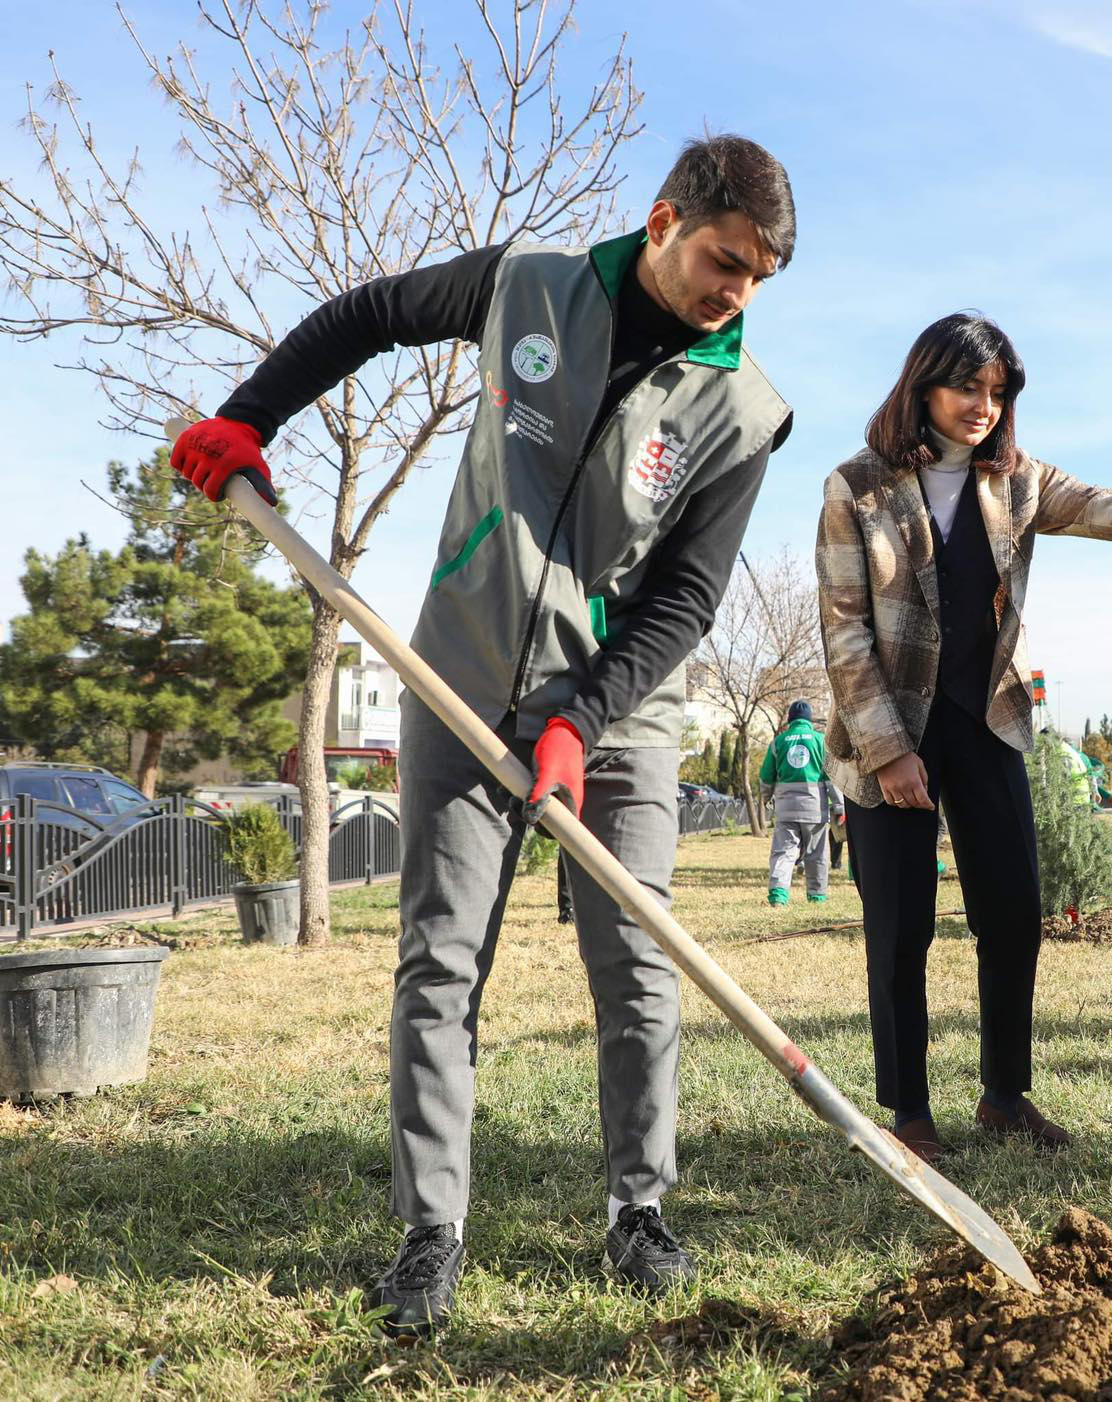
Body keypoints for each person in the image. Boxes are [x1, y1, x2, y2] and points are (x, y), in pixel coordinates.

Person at [172, 134, 797, 1331]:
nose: (738, 294)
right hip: (455, 674)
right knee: (440, 960)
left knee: (636, 963)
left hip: (619, 716)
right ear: (665, 220)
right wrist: (248, 417)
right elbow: (369, 314)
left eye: (759, 278)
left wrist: (584, 717)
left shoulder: (742, 410)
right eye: (726, 261)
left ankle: (638, 1211)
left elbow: (686, 600)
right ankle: (430, 1230)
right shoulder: (525, 283)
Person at [815, 313, 1112, 1164]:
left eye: (998, 392)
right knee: (901, 930)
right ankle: (910, 1116)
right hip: (888, 729)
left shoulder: (1020, 482)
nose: (984, 405)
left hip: (987, 722)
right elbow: (845, 629)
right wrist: (891, 751)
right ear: (923, 383)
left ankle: (1005, 1098)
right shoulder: (856, 485)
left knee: (1011, 919)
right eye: (968, 386)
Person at [759, 699, 837, 904]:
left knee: (783, 852)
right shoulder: (821, 741)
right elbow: (832, 777)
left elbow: (766, 776)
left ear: (790, 720)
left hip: (785, 808)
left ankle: (778, 896)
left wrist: (766, 798)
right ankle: (817, 895)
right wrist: (839, 805)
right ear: (809, 720)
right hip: (814, 809)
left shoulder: (778, 742)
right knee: (817, 854)